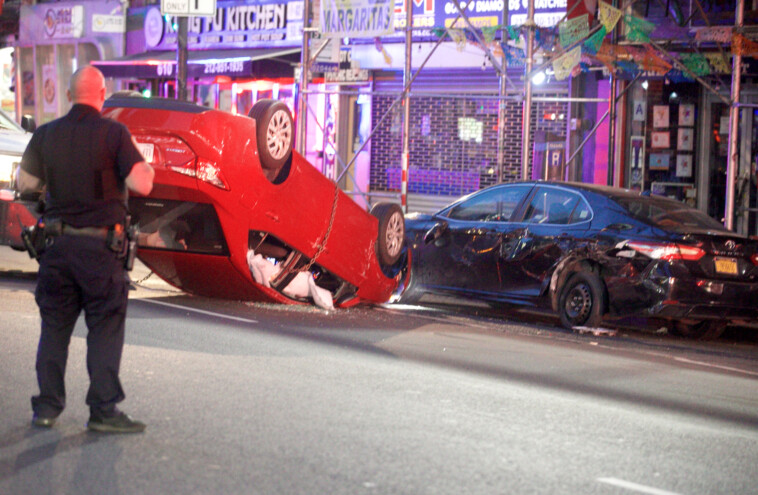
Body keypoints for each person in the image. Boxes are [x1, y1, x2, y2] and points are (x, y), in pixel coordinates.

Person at [17, 66, 155, 434]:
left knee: (55, 329)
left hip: (57, 249)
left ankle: (46, 408)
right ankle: (103, 410)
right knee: (105, 329)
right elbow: (142, 183)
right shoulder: (114, 133)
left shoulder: (46, 134)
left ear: (67, 96)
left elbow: (25, 182)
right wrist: (144, 165)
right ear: (102, 94)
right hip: (101, 251)